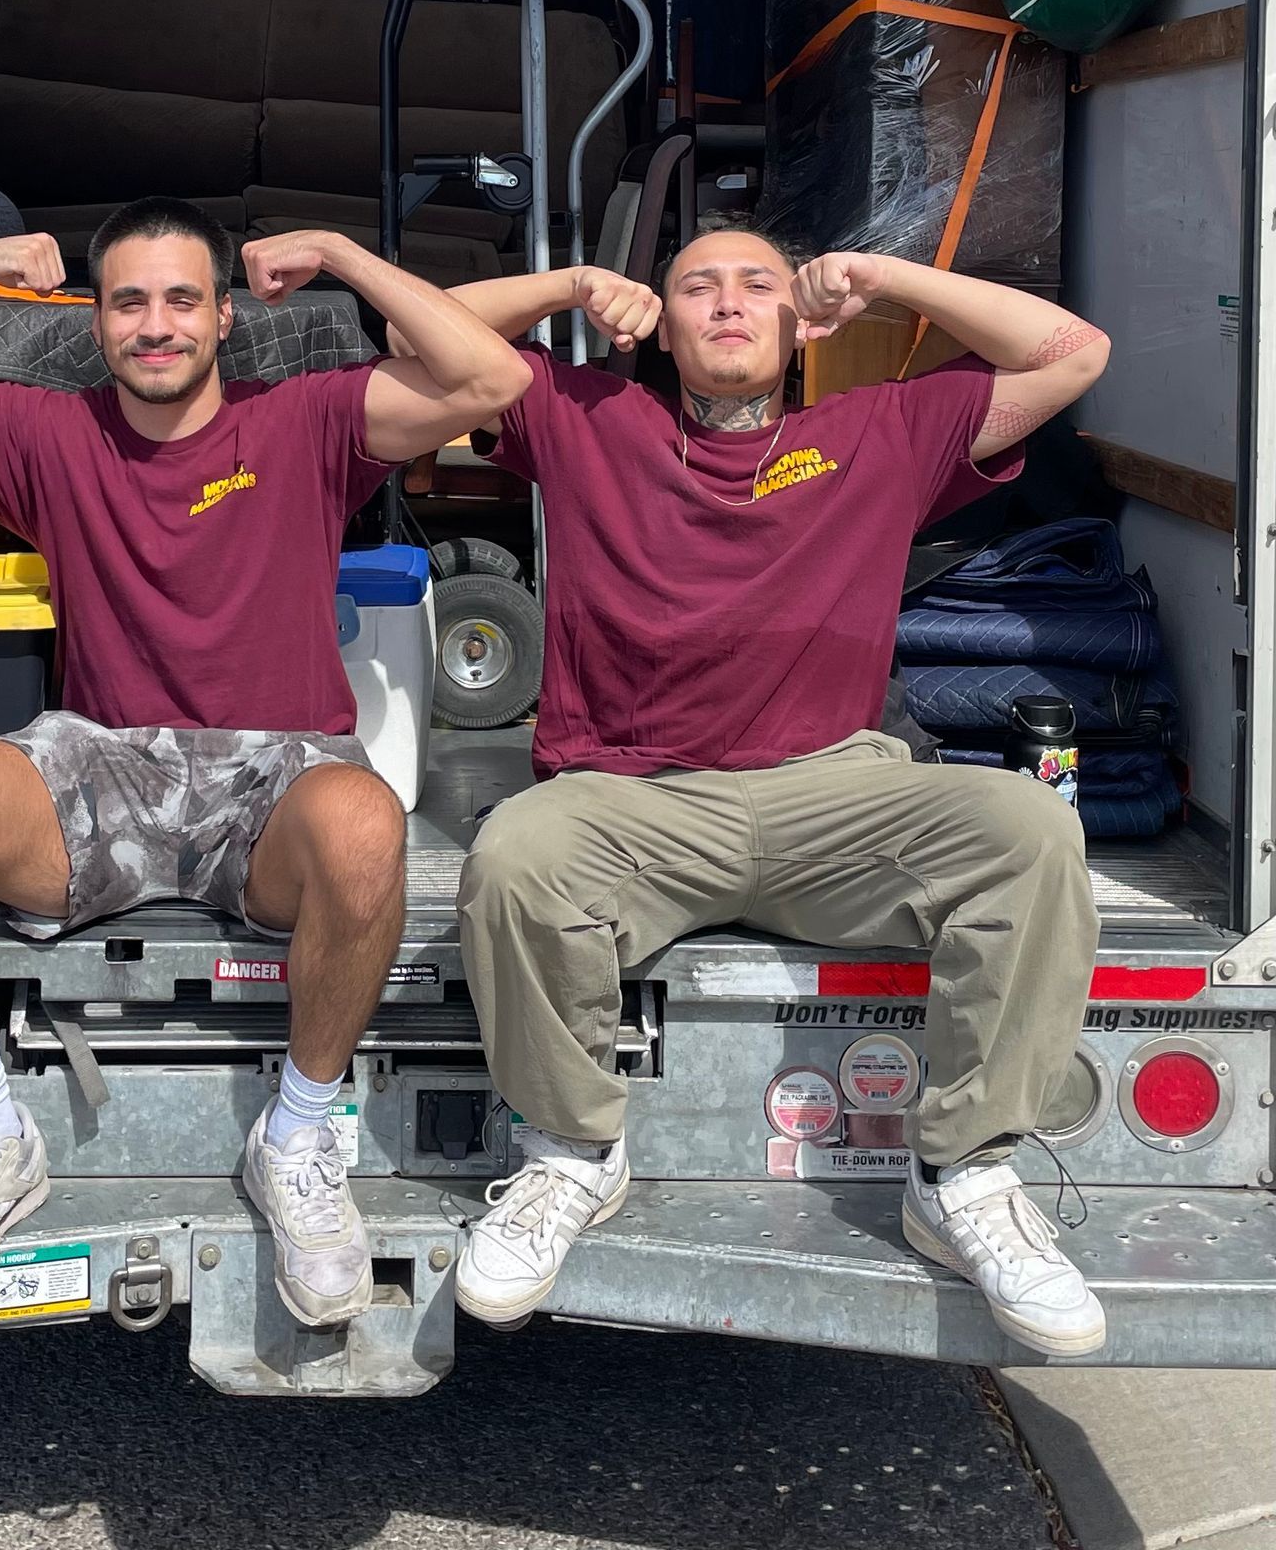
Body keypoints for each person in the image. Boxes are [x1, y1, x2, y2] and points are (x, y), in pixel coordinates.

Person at [0, 198, 530, 1327]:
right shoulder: (43, 431)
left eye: (182, 298)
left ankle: (297, 1139)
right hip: (102, 764)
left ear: (224, 316)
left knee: (368, 821)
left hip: (272, 772)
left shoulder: (308, 419)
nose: (156, 324)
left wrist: (337, 255)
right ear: (96, 322)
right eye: (129, 301)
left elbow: (490, 383)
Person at [420, 234, 1112, 1358]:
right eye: (698, 285)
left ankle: (963, 1177)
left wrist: (883, 277)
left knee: (1031, 828)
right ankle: (571, 1155)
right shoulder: (583, 413)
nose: (728, 302)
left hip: (829, 791)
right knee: (515, 855)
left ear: (800, 328)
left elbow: (1074, 353)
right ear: (661, 327)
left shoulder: (880, 429)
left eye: (757, 285)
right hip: (635, 795)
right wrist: (567, 286)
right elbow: (418, 333)